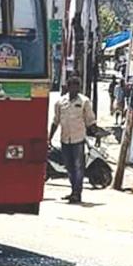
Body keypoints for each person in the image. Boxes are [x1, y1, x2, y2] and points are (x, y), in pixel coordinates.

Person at [49, 76, 97, 204]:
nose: (75, 89)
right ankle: (73, 190)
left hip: (78, 139)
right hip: (65, 139)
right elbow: (55, 121)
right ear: (68, 87)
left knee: (79, 167)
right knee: (69, 167)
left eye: (77, 87)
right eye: (73, 86)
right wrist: (50, 137)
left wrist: (97, 134)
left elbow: (90, 121)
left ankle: (77, 193)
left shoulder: (85, 101)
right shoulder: (60, 102)